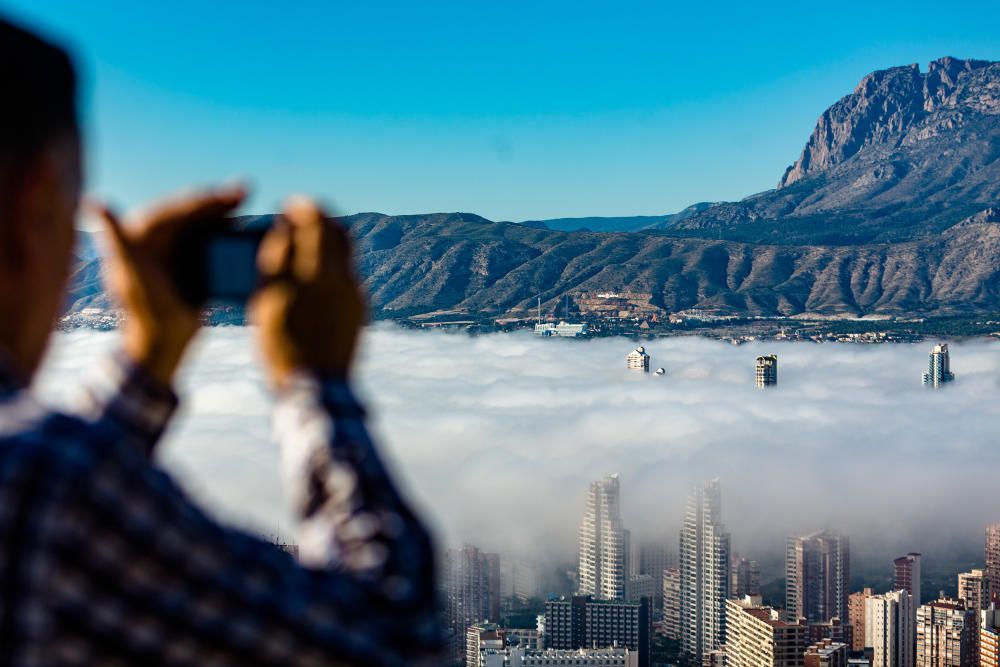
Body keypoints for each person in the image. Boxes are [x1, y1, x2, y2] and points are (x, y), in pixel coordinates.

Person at [0, 17, 442, 666]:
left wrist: (148, 362)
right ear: (34, 204)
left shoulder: (39, 488)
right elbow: (395, 639)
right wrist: (316, 382)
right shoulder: (46, 482)